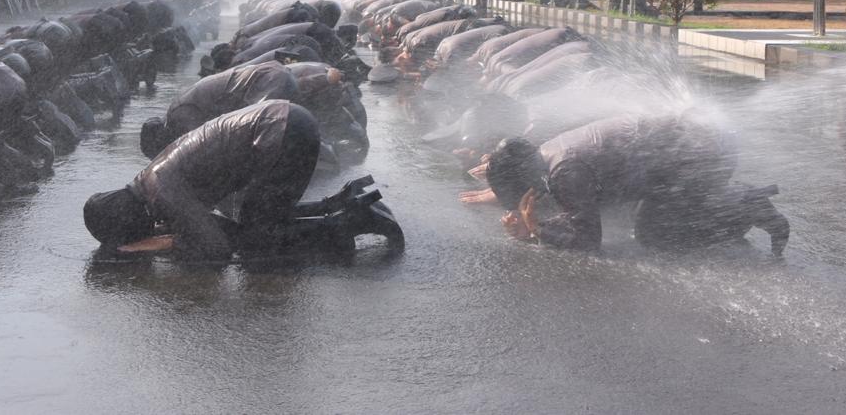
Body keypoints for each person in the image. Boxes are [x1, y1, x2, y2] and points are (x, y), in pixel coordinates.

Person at [86, 101, 399, 259]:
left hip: (279, 134)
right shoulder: (152, 180)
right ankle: (339, 205)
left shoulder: (161, 191)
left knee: (259, 241)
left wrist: (155, 246)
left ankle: (351, 222)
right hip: (286, 123)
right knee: (259, 215)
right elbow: (214, 215)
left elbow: (216, 248)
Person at [464, 115, 789, 256]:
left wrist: (537, 229)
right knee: (639, 216)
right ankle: (725, 202)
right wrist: (537, 227)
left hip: (703, 157)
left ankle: (745, 207)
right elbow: (579, 212)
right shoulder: (549, 155)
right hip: (694, 147)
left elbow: (588, 240)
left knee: (655, 236)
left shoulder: (566, 172)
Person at [140, 61, 300, 158]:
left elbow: (202, 146)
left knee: (265, 142)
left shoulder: (180, 114)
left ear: (160, 138)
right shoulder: (179, 108)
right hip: (275, 78)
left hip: (268, 83)